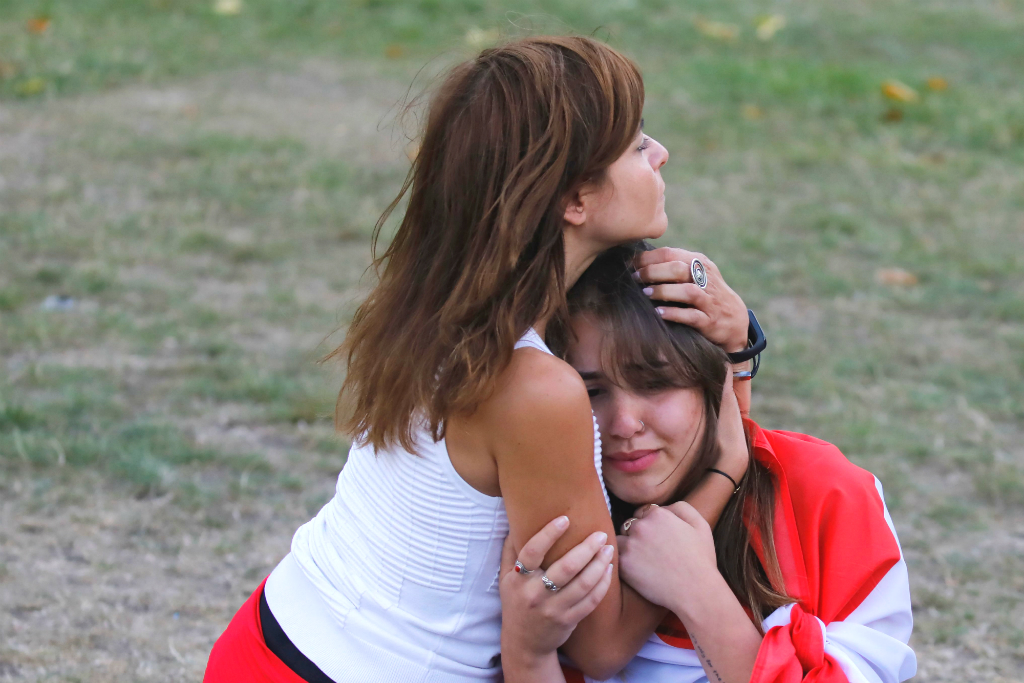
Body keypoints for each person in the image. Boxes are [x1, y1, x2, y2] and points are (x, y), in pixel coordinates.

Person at [204, 37, 753, 683]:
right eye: (635, 145)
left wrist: (737, 332)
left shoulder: (442, 298)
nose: (660, 152)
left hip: (266, 638)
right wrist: (726, 468)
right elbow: (600, 646)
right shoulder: (534, 389)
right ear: (575, 200)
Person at [499, 244, 918, 683]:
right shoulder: (546, 515)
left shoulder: (821, 492)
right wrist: (528, 654)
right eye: (592, 392)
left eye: (655, 382)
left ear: (712, 379)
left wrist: (696, 590)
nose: (624, 423)